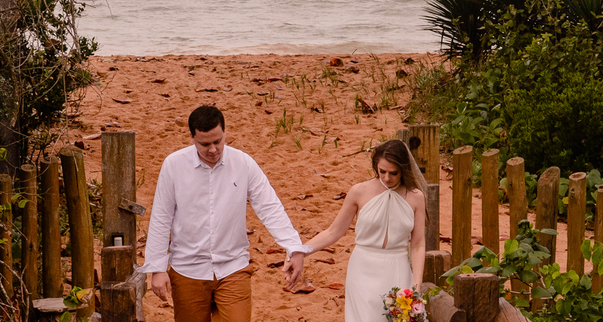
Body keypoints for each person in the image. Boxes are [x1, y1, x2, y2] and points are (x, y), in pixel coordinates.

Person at [141, 105, 307, 322]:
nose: (213, 149)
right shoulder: (173, 165)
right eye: (205, 144)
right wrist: (157, 268)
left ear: (225, 133)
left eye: (218, 141)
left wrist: (294, 247)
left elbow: (269, 207)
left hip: (233, 267)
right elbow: (161, 217)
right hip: (187, 270)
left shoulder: (243, 163)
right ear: (192, 137)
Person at [295, 139, 426, 322]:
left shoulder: (416, 197)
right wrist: (301, 250)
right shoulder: (359, 192)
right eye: (382, 171)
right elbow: (333, 231)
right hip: (363, 270)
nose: (387, 178)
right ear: (376, 166)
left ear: (403, 169)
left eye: (393, 173)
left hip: (398, 268)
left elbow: (418, 244)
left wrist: (416, 286)